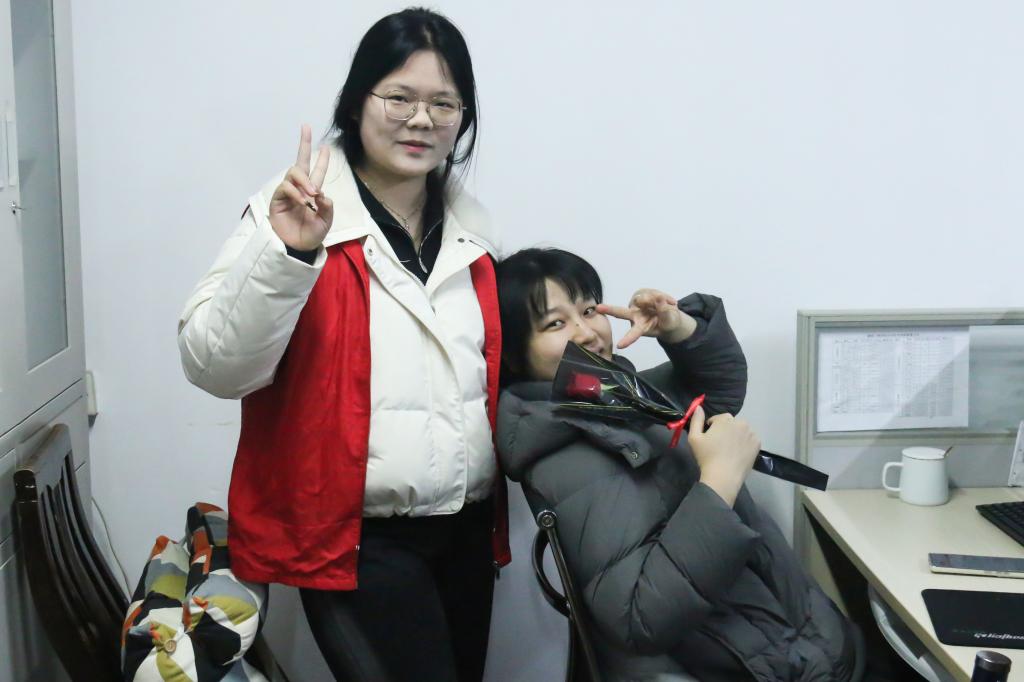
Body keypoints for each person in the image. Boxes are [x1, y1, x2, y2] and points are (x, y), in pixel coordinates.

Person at [177, 9, 508, 682]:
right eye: (400, 98)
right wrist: (288, 255)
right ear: (357, 102)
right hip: (358, 541)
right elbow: (214, 365)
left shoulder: (473, 230)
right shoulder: (292, 209)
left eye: (444, 104)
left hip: (465, 531)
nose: (421, 120)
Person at [495, 248, 862, 682]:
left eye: (589, 310)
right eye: (555, 324)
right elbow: (641, 616)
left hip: (788, 643)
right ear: (515, 354)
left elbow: (718, 390)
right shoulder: (571, 459)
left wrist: (679, 327)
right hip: (757, 664)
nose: (587, 333)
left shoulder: (613, 397)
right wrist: (720, 482)